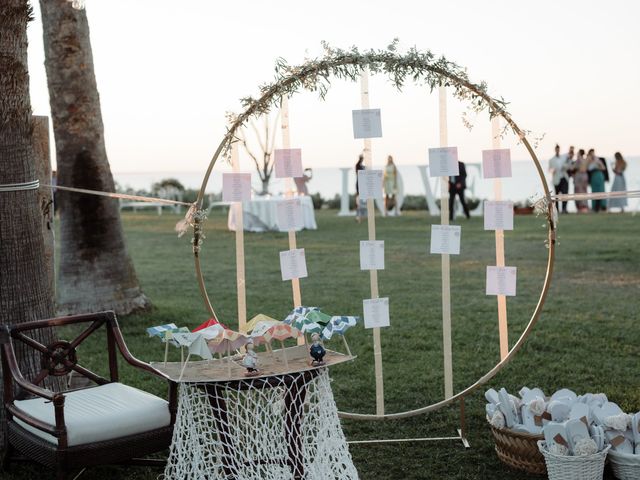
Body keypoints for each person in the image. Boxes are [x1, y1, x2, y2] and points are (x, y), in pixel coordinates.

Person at [548, 144, 570, 213]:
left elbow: (568, 165)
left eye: (558, 149)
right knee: (556, 195)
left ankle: (564, 209)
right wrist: (552, 170)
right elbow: (549, 169)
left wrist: (565, 167)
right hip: (556, 179)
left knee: (565, 194)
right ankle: (557, 210)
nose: (557, 150)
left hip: (564, 178)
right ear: (555, 150)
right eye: (556, 149)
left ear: (559, 149)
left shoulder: (563, 158)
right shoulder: (551, 160)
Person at [355, 154, 366, 223]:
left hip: (363, 183)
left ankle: (361, 216)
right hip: (359, 184)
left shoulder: (362, 166)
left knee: (362, 201)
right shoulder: (358, 165)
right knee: (358, 201)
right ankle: (358, 216)